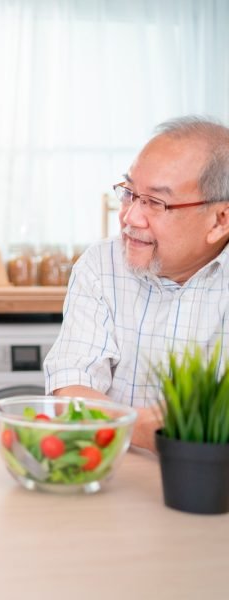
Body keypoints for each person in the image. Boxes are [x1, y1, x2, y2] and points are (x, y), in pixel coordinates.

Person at [44, 116, 229, 451]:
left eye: (155, 203)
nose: (130, 218)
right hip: (116, 475)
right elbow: (71, 385)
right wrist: (135, 427)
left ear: (220, 220)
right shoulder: (101, 265)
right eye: (129, 193)